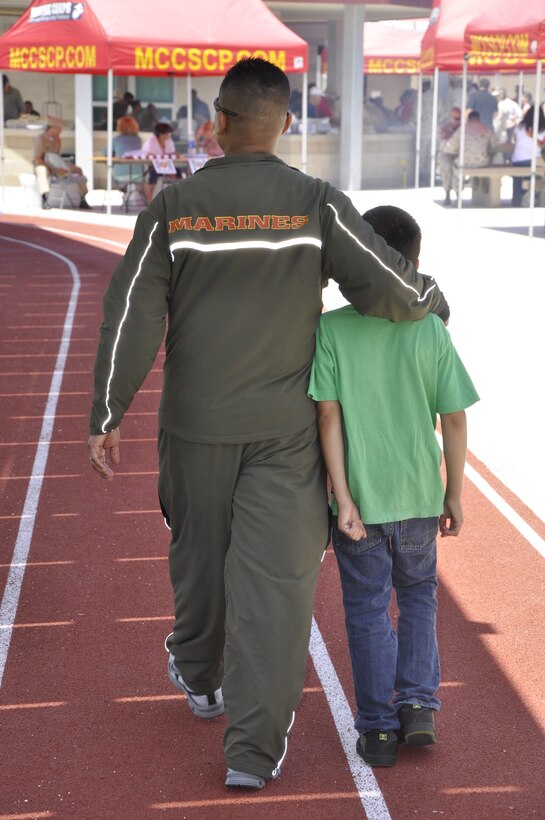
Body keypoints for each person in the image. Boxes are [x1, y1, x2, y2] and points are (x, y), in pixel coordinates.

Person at [87, 58, 449, 792]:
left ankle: (198, 672)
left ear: (216, 122)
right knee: (278, 592)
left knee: (200, 566)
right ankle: (253, 753)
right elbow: (388, 285)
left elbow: (131, 311)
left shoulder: (172, 209)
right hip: (287, 435)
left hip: (194, 430)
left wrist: (106, 410)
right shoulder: (314, 203)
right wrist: (432, 304)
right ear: (286, 123)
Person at [309, 205, 479, 768]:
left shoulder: (331, 328)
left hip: (361, 499)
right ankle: (418, 707)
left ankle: (378, 729)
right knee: (419, 597)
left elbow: (327, 418)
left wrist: (344, 497)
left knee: (365, 608)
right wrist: (453, 491)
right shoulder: (429, 327)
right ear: (414, 263)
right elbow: (453, 418)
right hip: (417, 494)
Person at [33, 116, 90, 210]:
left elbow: (56, 156)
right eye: (59, 128)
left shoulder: (57, 139)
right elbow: (37, 158)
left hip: (55, 163)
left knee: (78, 169)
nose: (60, 130)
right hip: (43, 163)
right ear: (52, 128)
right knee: (42, 171)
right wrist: (53, 168)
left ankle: (83, 198)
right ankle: (44, 198)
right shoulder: (40, 139)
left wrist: (61, 166)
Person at [442, 110, 500, 193]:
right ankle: (483, 185)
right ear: (479, 119)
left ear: (468, 119)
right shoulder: (486, 129)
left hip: (464, 163)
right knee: (491, 161)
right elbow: (496, 145)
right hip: (482, 163)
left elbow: (451, 146)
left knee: (454, 167)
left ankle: (457, 193)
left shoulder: (462, 129)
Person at [509, 104, 545, 207]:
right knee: (534, 174)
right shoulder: (543, 129)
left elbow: (513, 140)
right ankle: (529, 194)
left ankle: (516, 200)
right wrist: (533, 137)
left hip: (517, 160)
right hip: (534, 161)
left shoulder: (520, 126)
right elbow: (542, 146)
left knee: (517, 178)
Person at [141, 121, 180, 203]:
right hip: (152, 166)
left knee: (179, 172)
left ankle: (177, 198)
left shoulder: (169, 141)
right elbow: (147, 157)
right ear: (162, 134)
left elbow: (172, 154)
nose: (170, 134)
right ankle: (149, 198)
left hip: (167, 165)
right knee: (153, 174)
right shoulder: (151, 142)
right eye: (168, 132)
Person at [437, 107, 462, 206]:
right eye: (456, 119)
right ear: (450, 118)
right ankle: (447, 194)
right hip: (446, 154)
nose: (458, 121)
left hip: (458, 155)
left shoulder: (462, 128)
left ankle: (458, 196)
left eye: (459, 119)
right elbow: (443, 143)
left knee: (458, 176)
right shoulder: (444, 128)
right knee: (446, 173)